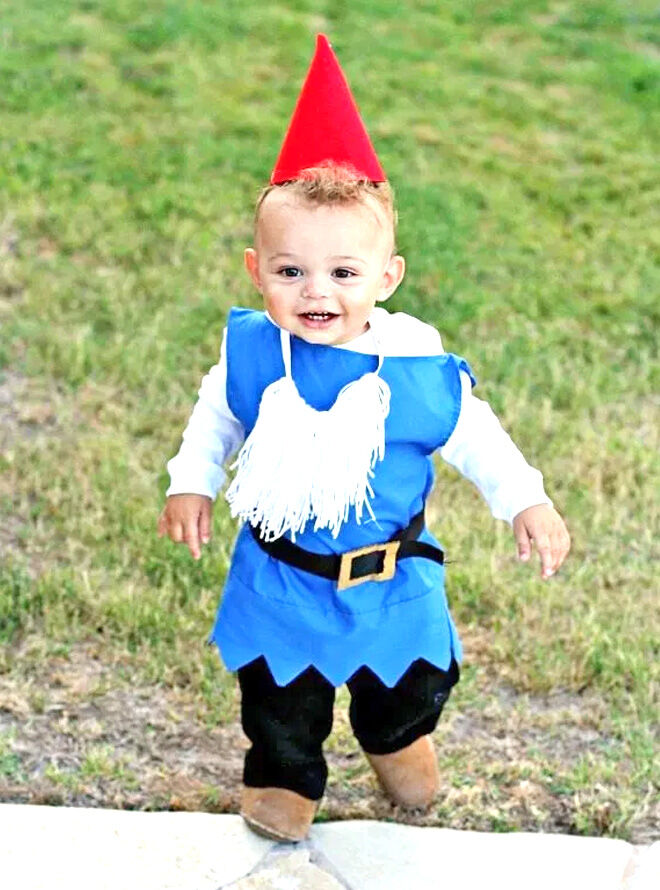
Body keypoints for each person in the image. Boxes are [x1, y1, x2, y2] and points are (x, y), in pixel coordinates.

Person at [158, 35, 570, 842]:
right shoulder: (254, 353)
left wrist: (528, 500)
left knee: (410, 684)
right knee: (280, 697)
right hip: (282, 576)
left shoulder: (417, 369)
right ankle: (283, 782)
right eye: (290, 272)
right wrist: (192, 479)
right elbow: (217, 414)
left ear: (387, 277)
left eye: (344, 273)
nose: (317, 292)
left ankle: (397, 741)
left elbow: (479, 440)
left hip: (388, 576)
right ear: (256, 269)